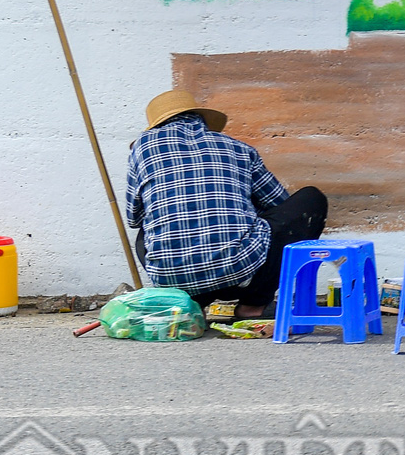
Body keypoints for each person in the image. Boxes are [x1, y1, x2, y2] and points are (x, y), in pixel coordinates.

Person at [125, 89, 328, 319]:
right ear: (201, 119)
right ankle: (253, 305)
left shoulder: (142, 149)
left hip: (174, 280)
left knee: (146, 230)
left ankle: (189, 307)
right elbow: (280, 204)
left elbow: (134, 217)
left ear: (156, 125)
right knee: (311, 199)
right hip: (243, 273)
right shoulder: (240, 149)